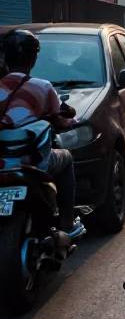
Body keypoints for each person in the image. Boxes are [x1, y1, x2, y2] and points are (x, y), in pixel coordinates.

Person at [0, 29, 77, 231]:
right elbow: (61, 120)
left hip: (2, 162)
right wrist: (69, 121)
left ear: (5, 57)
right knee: (66, 157)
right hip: (30, 161)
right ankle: (67, 221)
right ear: (33, 58)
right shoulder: (42, 87)